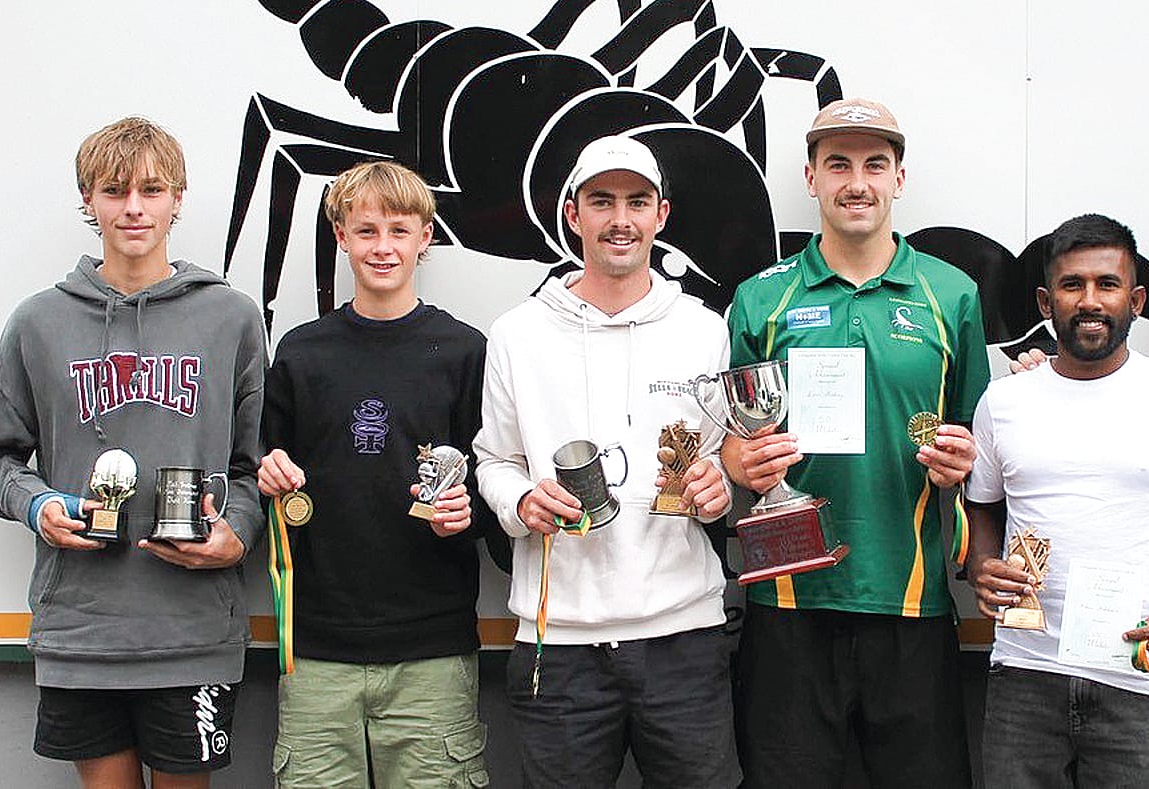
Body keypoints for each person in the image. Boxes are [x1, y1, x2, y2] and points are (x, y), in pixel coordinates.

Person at [0, 117, 265, 787]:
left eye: (151, 189)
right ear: (87, 201)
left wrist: (236, 532)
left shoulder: (232, 317)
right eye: (115, 190)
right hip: (83, 633)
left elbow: (255, 462)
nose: (133, 207)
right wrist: (39, 506)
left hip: (193, 633)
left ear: (178, 198)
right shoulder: (39, 321)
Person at [722, 98, 989, 787]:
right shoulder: (760, 298)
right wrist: (739, 460)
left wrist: (963, 463)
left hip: (911, 600)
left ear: (900, 178)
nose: (857, 182)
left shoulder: (950, 294)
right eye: (837, 163)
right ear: (810, 178)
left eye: (875, 163)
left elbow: (982, 444)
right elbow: (728, 445)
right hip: (787, 603)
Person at [473, 135, 739, 788]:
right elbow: (494, 461)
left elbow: (725, 455)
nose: (620, 219)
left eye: (636, 202)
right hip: (558, 647)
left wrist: (721, 485)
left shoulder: (704, 328)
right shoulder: (518, 333)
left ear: (661, 216)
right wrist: (520, 502)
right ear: (573, 215)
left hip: (685, 638)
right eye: (601, 201)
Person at [965, 213, 1149, 787]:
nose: (1090, 301)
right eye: (1072, 285)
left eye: (1107, 285)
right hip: (1025, 673)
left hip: (1138, 671)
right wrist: (979, 565)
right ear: (1046, 302)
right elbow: (982, 507)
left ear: (1136, 300)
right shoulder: (1003, 402)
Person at [255, 161, 493, 788]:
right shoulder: (302, 353)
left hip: (432, 650)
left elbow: (496, 485)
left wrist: (468, 516)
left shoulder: (466, 351)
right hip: (315, 650)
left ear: (426, 237)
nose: (382, 247)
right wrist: (269, 472)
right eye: (365, 231)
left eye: (398, 230)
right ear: (340, 236)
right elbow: (261, 473)